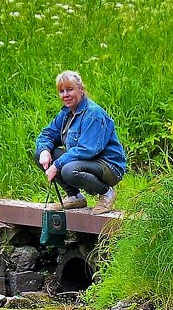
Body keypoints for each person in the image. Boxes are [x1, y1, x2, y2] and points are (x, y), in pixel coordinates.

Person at [35, 71, 127, 214]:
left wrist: (56, 165)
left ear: (81, 89)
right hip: (85, 161)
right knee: (40, 154)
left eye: (70, 89)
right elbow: (48, 134)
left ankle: (107, 193)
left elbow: (87, 150)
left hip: (108, 165)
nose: (65, 95)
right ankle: (74, 197)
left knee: (68, 170)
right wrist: (44, 151)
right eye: (61, 91)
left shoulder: (93, 113)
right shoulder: (66, 113)